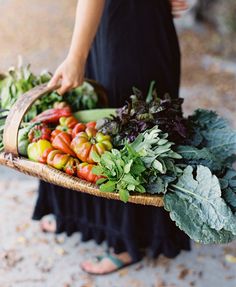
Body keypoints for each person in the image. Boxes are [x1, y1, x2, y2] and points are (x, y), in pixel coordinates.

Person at [33, 0, 190, 275]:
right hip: (117, 23)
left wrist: (76, 57)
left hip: (129, 31)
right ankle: (80, 218)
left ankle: (126, 242)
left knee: (127, 133)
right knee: (104, 122)